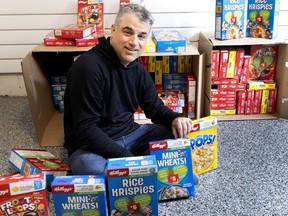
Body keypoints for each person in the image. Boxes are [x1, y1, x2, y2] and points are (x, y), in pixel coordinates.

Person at [63, 4, 199, 185]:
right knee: (88, 165)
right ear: (113, 30)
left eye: (142, 36)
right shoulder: (88, 67)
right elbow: (86, 129)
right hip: (90, 147)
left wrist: (175, 118)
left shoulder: (137, 70)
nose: (134, 42)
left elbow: (154, 108)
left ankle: (133, 176)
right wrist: (129, 160)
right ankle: (156, 175)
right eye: (128, 32)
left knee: (176, 133)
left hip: (132, 134)